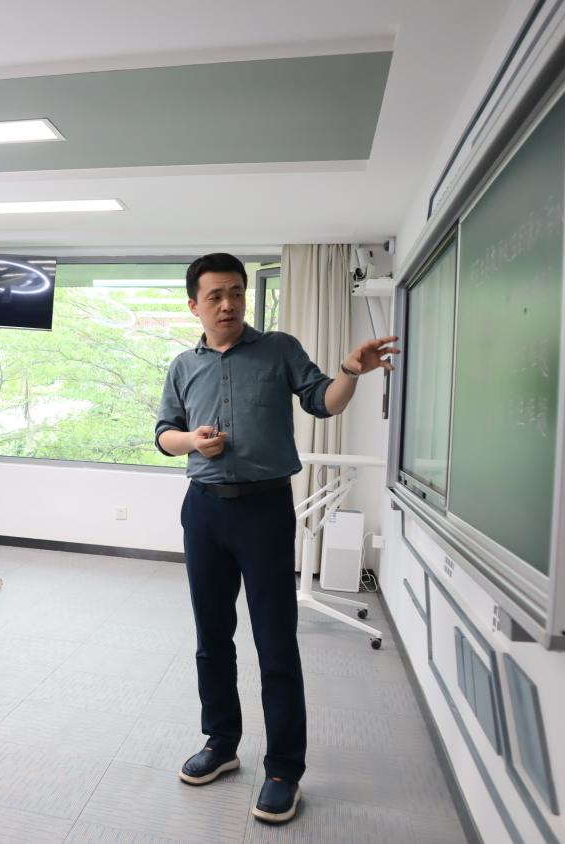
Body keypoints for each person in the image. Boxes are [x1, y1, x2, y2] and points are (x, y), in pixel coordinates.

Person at [155, 252, 399, 825]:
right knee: (212, 636)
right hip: (203, 510)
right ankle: (221, 742)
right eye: (215, 296)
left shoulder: (279, 349)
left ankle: (285, 768)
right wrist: (193, 441)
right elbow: (164, 434)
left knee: (275, 641)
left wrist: (350, 370)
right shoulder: (182, 366)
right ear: (194, 305)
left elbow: (323, 401)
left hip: (264, 511)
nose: (228, 304)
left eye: (236, 292)